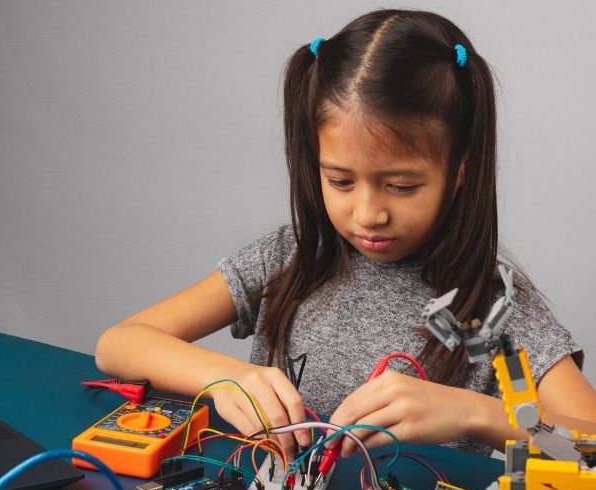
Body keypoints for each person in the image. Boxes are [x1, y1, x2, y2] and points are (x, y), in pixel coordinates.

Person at [95, 9, 596, 460]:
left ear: (460, 169)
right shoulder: (290, 258)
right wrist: (229, 378)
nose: (367, 213)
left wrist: (479, 415)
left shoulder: (495, 312)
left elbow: (590, 445)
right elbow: (119, 344)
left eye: (401, 185)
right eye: (339, 181)